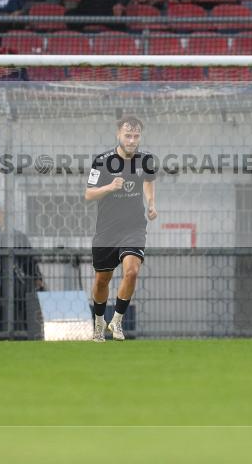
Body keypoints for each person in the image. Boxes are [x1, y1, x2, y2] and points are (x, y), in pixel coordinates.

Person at [86, 116, 158, 342]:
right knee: (101, 280)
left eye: (136, 136)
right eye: (128, 135)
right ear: (118, 134)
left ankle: (116, 320)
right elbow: (88, 194)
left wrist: (151, 203)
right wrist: (109, 186)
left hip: (134, 227)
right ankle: (99, 322)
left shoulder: (145, 159)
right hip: (107, 230)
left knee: (132, 271)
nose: (132, 140)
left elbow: (148, 181)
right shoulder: (102, 161)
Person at [0, 210, 45, 335]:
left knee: (31, 291)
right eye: (0, 213)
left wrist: (37, 277)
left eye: (6, 213)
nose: (3, 216)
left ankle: (29, 331)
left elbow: (30, 261)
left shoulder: (20, 237)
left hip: (18, 279)